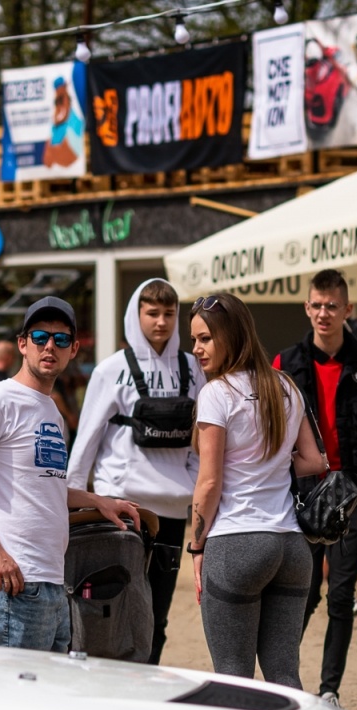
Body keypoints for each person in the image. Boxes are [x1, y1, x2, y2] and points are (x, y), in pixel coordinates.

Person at [0, 297, 141, 651]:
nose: (50, 346)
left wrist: (97, 501)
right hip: (11, 581)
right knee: (14, 699)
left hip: (51, 579)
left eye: (61, 340)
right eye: (40, 337)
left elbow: (43, 486)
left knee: (44, 699)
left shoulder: (51, 411)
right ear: (22, 344)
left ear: (74, 349)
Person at [273, 270, 357, 704]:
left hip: (351, 494)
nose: (324, 313)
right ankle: (283, 682)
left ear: (348, 310)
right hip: (301, 492)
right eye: (317, 305)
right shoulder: (284, 362)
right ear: (307, 308)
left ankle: (329, 691)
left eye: (333, 306)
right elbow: (270, 435)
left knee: (342, 596)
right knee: (300, 594)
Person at [188, 293, 327, 689]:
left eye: (204, 339)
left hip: (237, 541)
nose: (196, 349)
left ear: (230, 337)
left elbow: (210, 483)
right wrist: (272, 465)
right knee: (284, 675)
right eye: (194, 339)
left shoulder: (217, 393)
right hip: (291, 547)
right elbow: (314, 461)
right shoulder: (285, 386)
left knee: (234, 678)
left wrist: (196, 547)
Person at [68, 278, 204, 663]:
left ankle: (146, 682)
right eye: (152, 313)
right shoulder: (110, 370)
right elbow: (88, 437)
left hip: (175, 510)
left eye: (169, 313)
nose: (161, 322)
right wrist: (74, 503)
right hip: (121, 508)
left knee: (156, 613)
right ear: (135, 314)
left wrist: (196, 484)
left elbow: (204, 435)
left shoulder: (194, 369)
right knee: (114, 602)